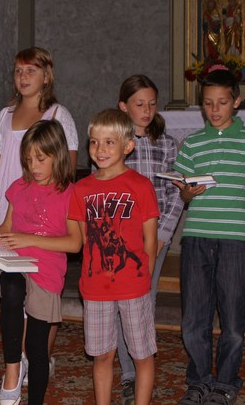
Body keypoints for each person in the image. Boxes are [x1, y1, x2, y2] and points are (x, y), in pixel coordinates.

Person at [174, 68, 245, 405]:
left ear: (235, 102)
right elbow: (183, 192)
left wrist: (242, 212)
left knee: (232, 318)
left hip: (235, 240)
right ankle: (199, 379)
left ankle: (227, 382)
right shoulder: (192, 143)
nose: (214, 109)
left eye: (221, 102)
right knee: (194, 318)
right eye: (208, 103)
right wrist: (188, 193)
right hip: (196, 238)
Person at [0, 46, 79, 381]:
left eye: (31, 71)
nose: (23, 77)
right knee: (13, 294)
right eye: (18, 71)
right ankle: (18, 361)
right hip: (11, 210)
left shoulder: (58, 115)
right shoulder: (4, 115)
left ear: (46, 76)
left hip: (44, 221)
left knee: (42, 299)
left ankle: (39, 357)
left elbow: (66, 171)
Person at [68, 109, 160, 405]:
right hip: (96, 288)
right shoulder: (81, 189)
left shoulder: (141, 186)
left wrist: (145, 278)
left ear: (127, 146)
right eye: (95, 142)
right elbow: (83, 241)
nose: (100, 150)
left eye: (109, 142)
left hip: (133, 286)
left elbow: (150, 240)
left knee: (142, 354)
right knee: (102, 355)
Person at [0, 120, 82, 405]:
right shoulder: (19, 187)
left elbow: (74, 243)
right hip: (15, 264)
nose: (33, 166)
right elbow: (5, 229)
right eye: (29, 159)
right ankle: (12, 369)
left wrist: (28, 239)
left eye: (40, 159)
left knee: (36, 345)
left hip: (46, 271)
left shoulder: (69, 193)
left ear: (57, 155)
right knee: (11, 286)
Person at [115, 75, 184, 404]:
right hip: (120, 237)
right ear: (123, 106)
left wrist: (163, 235)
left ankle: (142, 368)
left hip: (154, 237)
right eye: (139, 104)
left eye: (152, 104)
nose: (146, 110)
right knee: (120, 302)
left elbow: (175, 193)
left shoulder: (166, 143)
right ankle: (129, 374)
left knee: (144, 302)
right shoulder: (115, 142)